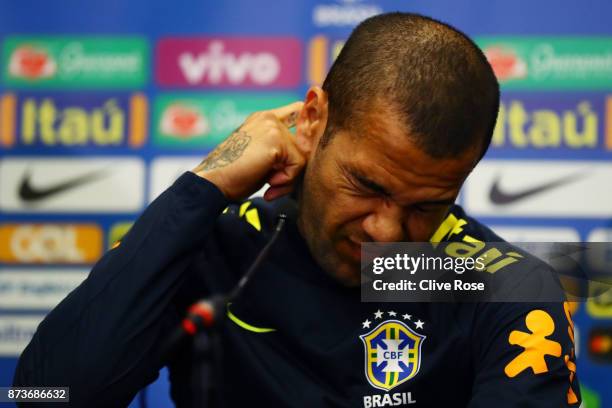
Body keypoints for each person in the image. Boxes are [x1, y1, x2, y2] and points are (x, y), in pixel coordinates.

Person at [14, 12, 579, 407]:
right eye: (365, 184)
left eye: (427, 206)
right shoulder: (214, 245)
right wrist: (205, 187)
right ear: (313, 121)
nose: (387, 232)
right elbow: (46, 394)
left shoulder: (499, 287)